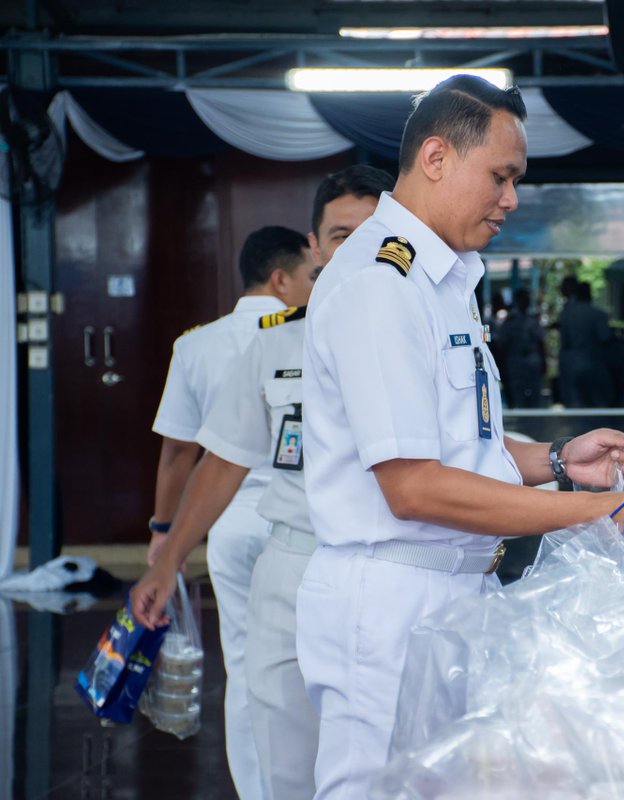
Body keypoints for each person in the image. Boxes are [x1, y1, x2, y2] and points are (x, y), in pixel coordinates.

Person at [297, 75, 624, 799]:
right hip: (391, 598)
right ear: (435, 158)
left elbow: (462, 445)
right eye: (501, 176)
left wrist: (555, 461)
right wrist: (596, 513)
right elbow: (413, 485)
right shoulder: (379, 282)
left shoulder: (440, 281)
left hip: (450, 591)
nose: (511, 199)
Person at [131, 166, 394, 800]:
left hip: (387, 566)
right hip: (292, 557)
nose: (352, 248)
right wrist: (167, 560)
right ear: (316, 247)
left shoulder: (422, 336)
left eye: (368, 233)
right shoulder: (276, 346)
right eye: (339, 234)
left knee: (385, 752)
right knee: (280, 735)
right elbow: (220, 461)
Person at [146, 225, 313, 800]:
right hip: (298, 519)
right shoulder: (306, 335)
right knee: (310, 663)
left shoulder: (196, 344)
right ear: (281, 276)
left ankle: (256, 790)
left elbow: (177, 452)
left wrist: (165, 534)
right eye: (310, 274)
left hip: (228, 521)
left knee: (244, 665)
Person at [556, 276, 614, 407]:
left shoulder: (566, 314)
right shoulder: (597, 314)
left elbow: (564, 341)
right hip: (593, 362)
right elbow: (605, 338)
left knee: (576, 406)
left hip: (573, 364)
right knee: (598, 404)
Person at [493, 287, 545, 408]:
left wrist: (543, 361)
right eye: (524, 299)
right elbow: (502, 344)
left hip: (532, 359)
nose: (526, 302)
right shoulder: (510, 321)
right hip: (515, 360)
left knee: (535, 396)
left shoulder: (533, 320)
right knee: (518, 396)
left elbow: (541, 341)